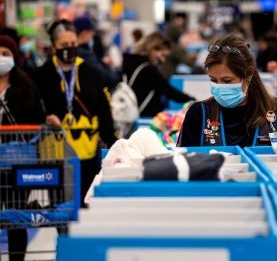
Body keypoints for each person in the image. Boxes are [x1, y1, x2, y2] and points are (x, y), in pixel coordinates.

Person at [36, 19, 116, 207]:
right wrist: (44, 117)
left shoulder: (90, 72)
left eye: (73, 44)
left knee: (84, 204)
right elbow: (34, 107)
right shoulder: (42, 75)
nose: (69, 48)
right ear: (54, 46)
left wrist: (112, 140)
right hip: (54, 153)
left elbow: (103, 109)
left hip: (86, 152)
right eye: (64, 45)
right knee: (60, 206)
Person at [177, 34, 277, 147]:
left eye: (227, 81)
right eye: (214, 80)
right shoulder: (199, 113)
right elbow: (183, 164)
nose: (219, 87)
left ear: (248, 74)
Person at [0, 35, 46, 261]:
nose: (1, 58)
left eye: (6, 54)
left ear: (14, 57)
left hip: (19, 161)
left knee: (15, 216)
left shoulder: (26, 87)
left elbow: (37, 119)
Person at [122, 32, 195, 117]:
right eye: (163, 55)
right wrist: (193, 101)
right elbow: (169, 91)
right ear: (153, 49)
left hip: (129, 114)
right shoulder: (148, 69)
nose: (163, 61)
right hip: (144, 117)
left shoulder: (130, 63)